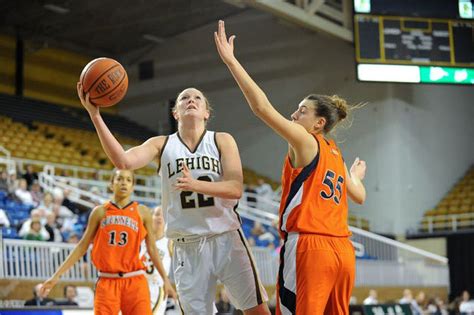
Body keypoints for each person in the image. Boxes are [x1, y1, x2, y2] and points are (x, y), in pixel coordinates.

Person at [76, 81, 270, 314]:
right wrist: (95, 115)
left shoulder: (222, 140)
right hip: (186, 245)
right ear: (175, 112)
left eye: (198, 98)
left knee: (256, 310)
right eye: (184, 98)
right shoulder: (162, 144)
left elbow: (235, 188)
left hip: (226, 238)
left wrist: (194, 184)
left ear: (206, 113)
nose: (191, 100)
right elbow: (123, 162)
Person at [214, 20, 367, 315]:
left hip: (312, 249)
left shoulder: (306, 140)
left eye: (302, 110)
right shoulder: (335, 153)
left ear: (319, 123)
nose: (294, 114)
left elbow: (261, 108)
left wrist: (232, 62)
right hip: (343, 253)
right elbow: (358, 196)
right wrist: (355, 176)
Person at [40, 169, 176, 314]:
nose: (124, 182)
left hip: (135, 280)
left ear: (132, 186)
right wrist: (56, 276)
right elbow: (82, 246)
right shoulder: (100, 212)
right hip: (107, 281)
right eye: (119, 179)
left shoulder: (142, 212)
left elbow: (152, 249)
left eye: (128, 180)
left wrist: (166, 280)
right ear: (111, 184)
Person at [140, 206, 172, 315]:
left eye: (163, 216)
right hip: (138, 284)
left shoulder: (169, 242)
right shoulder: (141, 239)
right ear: (150, 217)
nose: (160, 218)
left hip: (156, 287)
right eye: (157, 214)